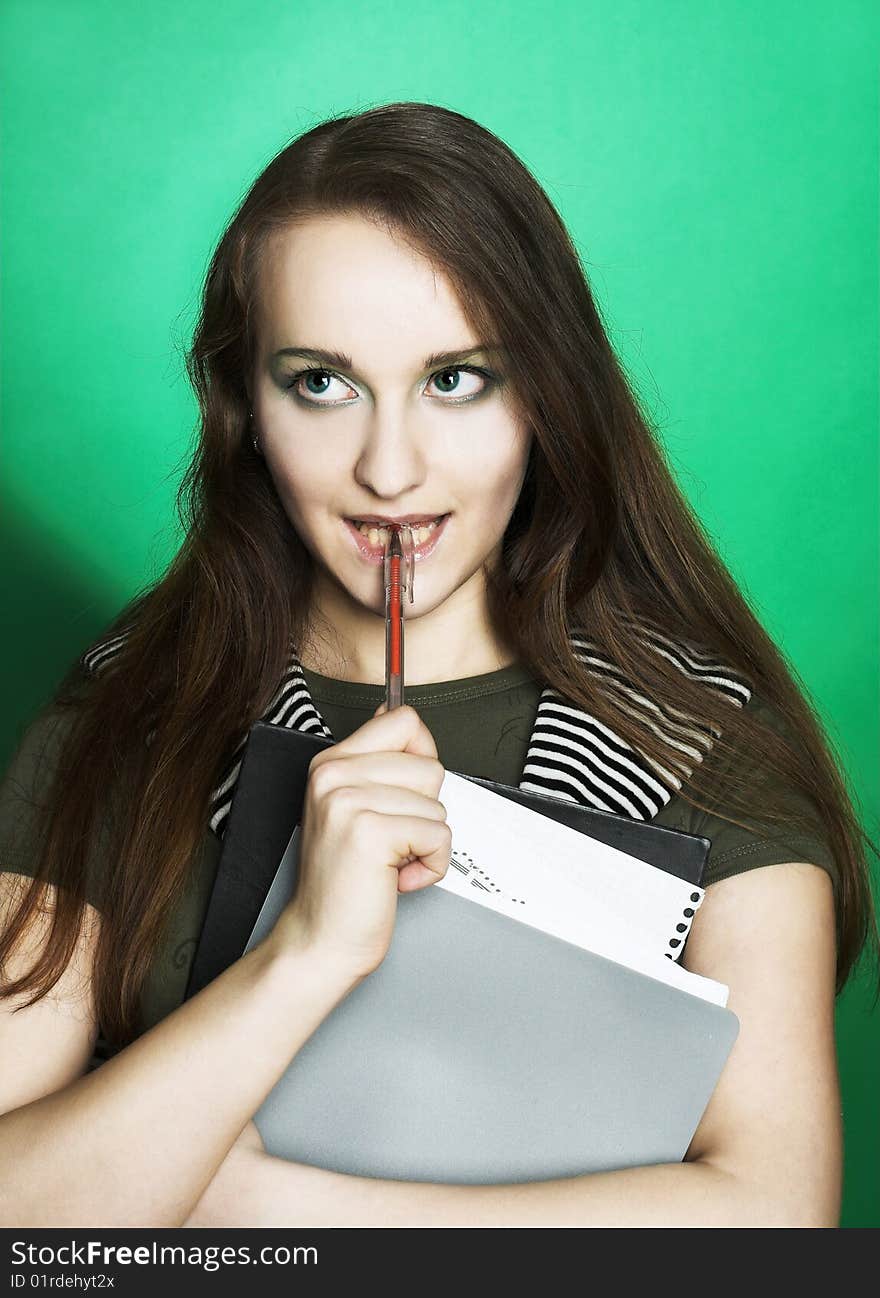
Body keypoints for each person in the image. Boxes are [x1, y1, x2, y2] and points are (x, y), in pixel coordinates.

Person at [0, 101, 876, 1229]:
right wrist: (306, 955)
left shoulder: (698, 738)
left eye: (456, 378)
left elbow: (774, 1212)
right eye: (322, 381)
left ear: (546, 398)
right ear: (243, 408)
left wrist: (263, 1207)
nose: (389, 467)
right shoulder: (122, 717)